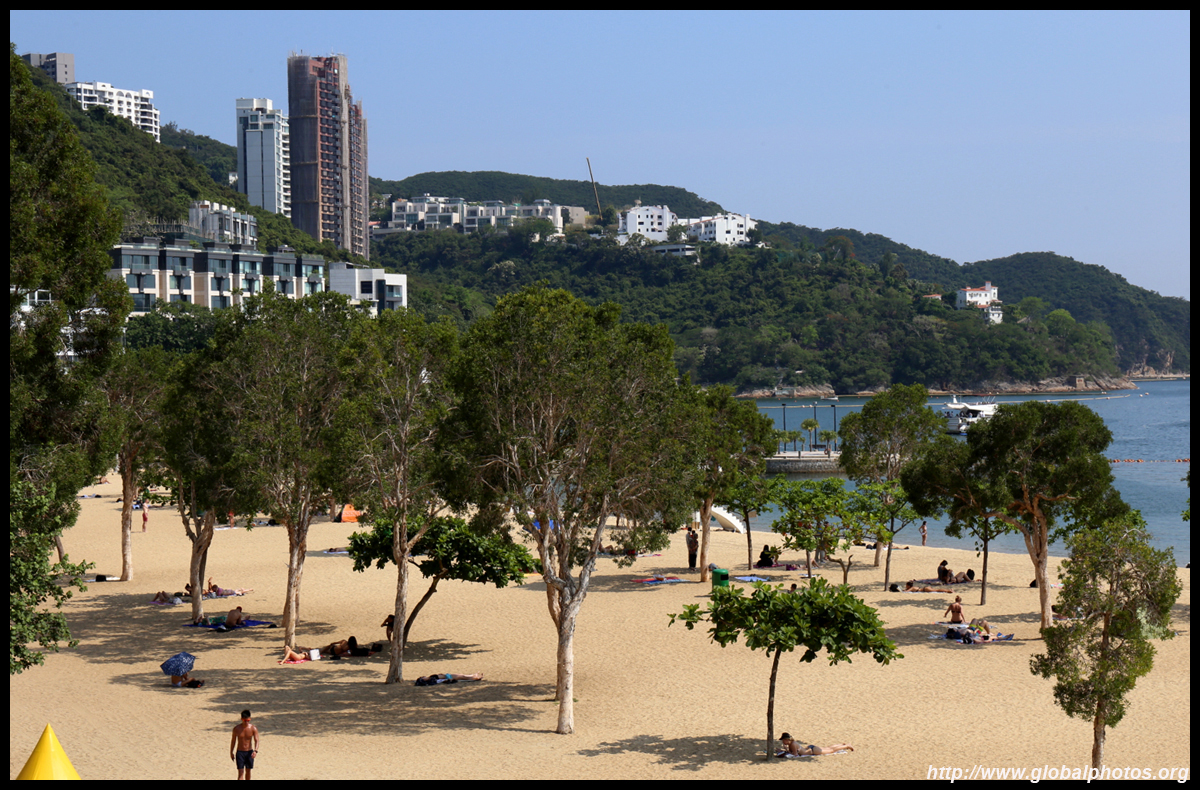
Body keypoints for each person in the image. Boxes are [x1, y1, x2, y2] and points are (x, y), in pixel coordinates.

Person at [231, 709, 260, 780]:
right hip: (240, 752)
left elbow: (257, 740)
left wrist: (255, 751)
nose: (246, 722)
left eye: (248, 720)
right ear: (241, 719)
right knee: (240, 772)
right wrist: (231, 752)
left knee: (248, 771)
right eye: (245, 720)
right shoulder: (236, 729)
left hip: (249, 752)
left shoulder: (253, 728)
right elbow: (233, 741)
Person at [777, 733, 854, 757]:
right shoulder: (792, 743)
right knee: (828, 748)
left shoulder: (793, 744)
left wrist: (785, 751)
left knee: (831, 750)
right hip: (811, 748)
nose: (782, 742)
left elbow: (795, 754)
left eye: (783, 740)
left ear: (787, 740)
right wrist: (784, 750)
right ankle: (841, 744)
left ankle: (847, 746)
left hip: (812, 751)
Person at [414, 672, 483, 686]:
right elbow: (442, 679)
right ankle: (475, 677)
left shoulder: (432, 678)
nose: (424, 676)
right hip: (448, 677)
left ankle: (473, 676)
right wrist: (448, 679)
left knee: (461, 675)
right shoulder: (432, 680)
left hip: (448, 676)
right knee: (461, 676)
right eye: (423, 677)